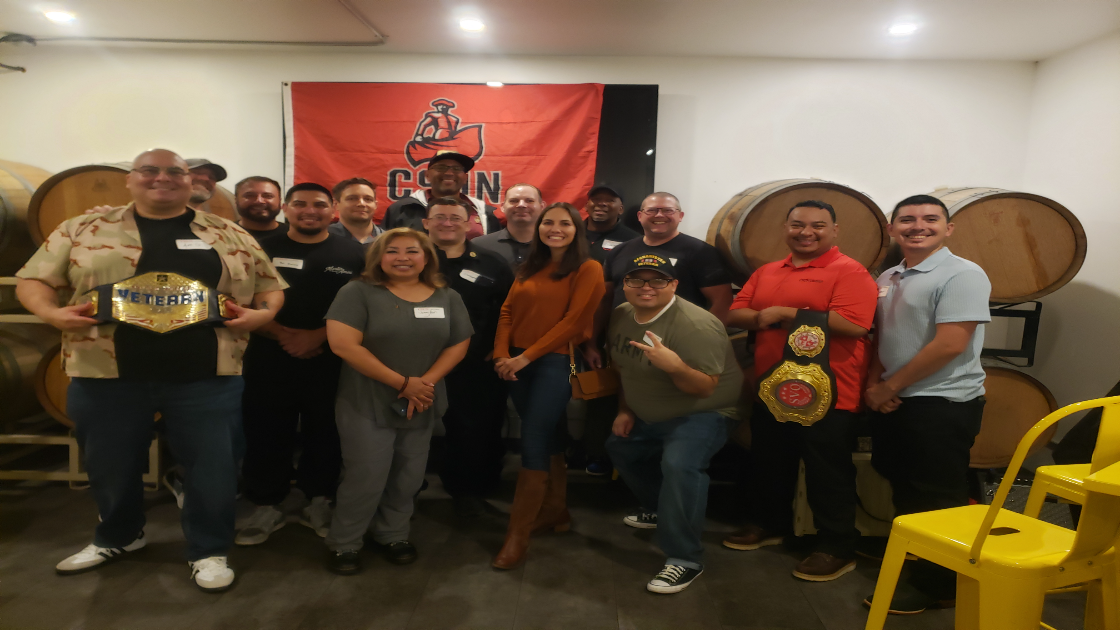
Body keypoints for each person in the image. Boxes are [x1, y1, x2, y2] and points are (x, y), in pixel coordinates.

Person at [16, 149, 286, 592]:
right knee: (109, 463)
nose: (163, 178)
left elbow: (271, 288)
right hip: (104, 371)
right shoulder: (82, 227)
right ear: (131, 179)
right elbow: (34, 279)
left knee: (212, 466)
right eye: (150, 171)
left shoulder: (227, 232)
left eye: (174, 172)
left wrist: (261, 316)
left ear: (190, 181)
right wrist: (52, 315)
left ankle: (209, 549)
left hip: (207, 373)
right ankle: (119, 536)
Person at [720, 200, 878, 583]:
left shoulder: (850, 272)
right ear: (785, 228)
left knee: (828, 470)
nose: (806, 232)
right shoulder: (768, 271)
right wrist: (762, 316)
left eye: (818, 225)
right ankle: (770, 524)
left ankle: (837, 546)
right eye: (798, 225)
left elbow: (854, 325)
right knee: (770, 461)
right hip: (774, 388)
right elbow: (735, 312)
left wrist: (784, 314)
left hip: (830, 391)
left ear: (835, 231)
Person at [862, 195, 991, 614]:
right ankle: (920, 562)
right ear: (892, 229)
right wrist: (876, 384)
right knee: (905, 488)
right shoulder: (892, 274)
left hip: (943, 402)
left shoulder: (962, 274)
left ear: (948, 228)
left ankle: (940, 585)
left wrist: (890, 385)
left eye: (931, 219)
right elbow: (883, 335)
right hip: (900, 398)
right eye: (908, 219)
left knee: (938, 498)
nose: (919, 225)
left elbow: (951, 344)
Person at [324, 228, 472, 575]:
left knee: (408, 474)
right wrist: (402, 383)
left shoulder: (446, 296)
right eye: (392, 251)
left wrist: (424, 384)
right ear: (378, 257)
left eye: (411, 251)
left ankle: (393, 533)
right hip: (367, 398)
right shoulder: (357, 292)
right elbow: (343, 345)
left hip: (422, 399)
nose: (402, 258)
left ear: (426, 258)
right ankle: (345, 541)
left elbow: (458, 344)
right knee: (366, 475)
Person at [236, 183, 365, 546]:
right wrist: (282, 334)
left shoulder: (353, 252)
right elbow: (239, 299)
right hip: (266, 357)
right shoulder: (259, 248)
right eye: (300, 204)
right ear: (286, 209)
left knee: (325, 431)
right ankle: (265, 504)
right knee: (265, 431)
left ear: (333, 209)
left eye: (320, 205)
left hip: (331, 358)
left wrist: (319, 336)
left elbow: (365, 305)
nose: (310, 210)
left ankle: (318, 500)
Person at [605, 254, 742, 594]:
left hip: (704, 411)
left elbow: (705, 387)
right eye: (637, 280)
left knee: (680, 465)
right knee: (619, 448)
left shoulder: (697, 325)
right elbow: (623, 369)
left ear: (674, 285)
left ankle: (685, 559)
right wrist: (625, 410)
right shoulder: (622, 314)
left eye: (657, 280)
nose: (646, 288)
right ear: (625, 285)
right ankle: (658, 509)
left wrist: (674, 366)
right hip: (649, 412)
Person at [582, 192, 732, 481]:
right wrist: (592, 342)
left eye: (667, 210)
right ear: (639, 217)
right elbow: (604, 300)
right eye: (651, 211)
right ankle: (638, 489)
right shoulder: (620, 251)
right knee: (625, 423)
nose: (659, 215)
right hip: (626, 349)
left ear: (680, 215)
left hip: (678, 354)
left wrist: (709, 345)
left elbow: (722, 301)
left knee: (674, 428)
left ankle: (670, 489)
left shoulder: (699, 251)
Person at [491, 202, 605, 570]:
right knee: (550, 434)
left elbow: (574, 323)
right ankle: (556, 512)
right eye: (548, 223)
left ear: (577, 230)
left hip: (553, 362)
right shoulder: (530, 266)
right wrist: (501, 355)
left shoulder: (589, 268)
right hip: (516, 362)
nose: (555, 228)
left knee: (534, 439)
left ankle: (517, 535)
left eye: (564, 223)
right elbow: (507, 311)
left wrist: (525, 358)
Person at [422, 197, 514, 518]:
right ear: (426, 223)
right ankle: (405, 486)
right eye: (440, 217)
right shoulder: (408, 258)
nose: (447, 223)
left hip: (476, 361)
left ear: (468, 223)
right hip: (417, 360)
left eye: (455, 218)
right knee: (409, 424)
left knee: (474, 427)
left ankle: (470, 488)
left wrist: (498, 348)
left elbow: (508, 310)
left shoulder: (492, 262)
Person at [378, 152, 502, 239]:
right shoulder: (402, 209)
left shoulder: (484, 212)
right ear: (427, 175)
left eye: (457, 168)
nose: (449, 173)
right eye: (441, 167)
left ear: (466, 178)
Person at [473, 183, 546, 269]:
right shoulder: (479, 246)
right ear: (503, 207)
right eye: (514, 201)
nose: (521, 205)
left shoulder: (553, 246)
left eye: (529, 200)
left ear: (542, 206)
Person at [584, 184, 640, 262]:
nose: (601, 203)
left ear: (621, 209)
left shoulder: (634, 241)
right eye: (596, 199)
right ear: (586, 206)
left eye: (610, 200)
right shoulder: (572, 233)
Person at [329, 177, 383, 247]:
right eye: (352, 198)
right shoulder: (321, 238)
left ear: (376, 205)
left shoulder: (389, 240)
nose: (362, 204)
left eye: (368, 199)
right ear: (336, 204)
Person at [234, 176, 288, 241]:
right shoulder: (222, 236)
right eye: (250, 195)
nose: (259, 201)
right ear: (236, 200)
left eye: (268, 196)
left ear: (280, 201)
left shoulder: (297, 236)